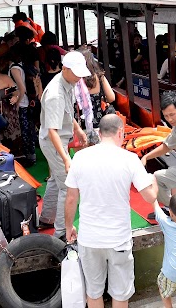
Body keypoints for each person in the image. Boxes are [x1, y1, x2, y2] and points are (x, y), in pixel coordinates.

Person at [65, 113, 158, 308]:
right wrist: (154, 181)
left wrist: (68, 227)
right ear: (121, 133)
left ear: (99, 133)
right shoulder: (130, 159)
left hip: (89, 238)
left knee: (93, 292)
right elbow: (150, 197)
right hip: (118, 239)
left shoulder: (80, 157)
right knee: (120, 294)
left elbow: (71, 198)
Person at [39, 51, 90, 238]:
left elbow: (67, 113)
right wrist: (65, 158)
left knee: (55, 181)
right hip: (54, 142)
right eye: (76, 72)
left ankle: (47, 218)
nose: (79, 77)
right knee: (67, 186)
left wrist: (77, 129)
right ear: (64, 68)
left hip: (58, 139)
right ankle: (60, 232)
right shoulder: (55, 94)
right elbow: (52, 131)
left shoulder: (67, 82)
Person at [78, 48, 115, 139]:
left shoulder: (76, 78)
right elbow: (111, 98)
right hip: (97, 122)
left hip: (80, 125)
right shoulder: (99, 76)